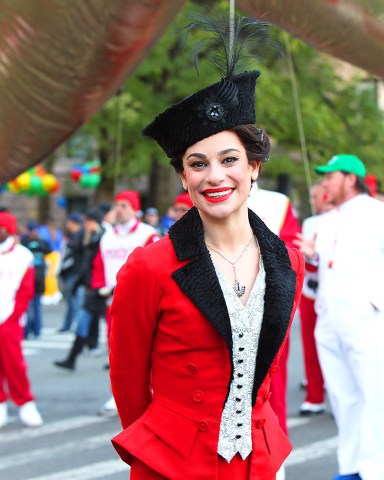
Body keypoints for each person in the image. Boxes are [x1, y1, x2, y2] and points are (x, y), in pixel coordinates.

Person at [109, 14, 304, 480]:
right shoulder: (151, 266)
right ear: (183, 176)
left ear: (254, 167)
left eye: (229, 159)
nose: (214, 176)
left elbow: (269, 374)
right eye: (198, 164)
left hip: (260, 462)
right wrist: (156, 452)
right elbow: (127, 380)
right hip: (172, 465)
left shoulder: (287, 261)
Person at [294, 154, 384, 480]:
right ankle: (351, 467)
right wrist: (312, 256)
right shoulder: (327, 219)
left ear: (350, 178)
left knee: (374, 396)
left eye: (330, 177)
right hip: (329, 318)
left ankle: (375, 469)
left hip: (366, 319)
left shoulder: (377, 213)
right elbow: (328, 265)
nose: (324, 183)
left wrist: (375, 302)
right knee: (343, 397)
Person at [248, 182, 301, 450]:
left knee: (271, 384)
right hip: (216, 305)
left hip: (268, 304)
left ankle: (274, 455)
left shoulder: (277, 203)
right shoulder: (206, 195)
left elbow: (293, 252)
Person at [97, 190, 160, 416]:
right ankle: (118, 395)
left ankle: (151, 393)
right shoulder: (106, 236)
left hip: (139, 303)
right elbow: (99, 265)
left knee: (144, 350)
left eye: (124, 205)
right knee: (116, 351)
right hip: (112, 304)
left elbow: (155, 265)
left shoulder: (147, 234)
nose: (120, 209)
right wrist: (99, 289)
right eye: (117, 205)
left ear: (134, 209)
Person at [0, 212, 44, 428]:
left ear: (8, 230)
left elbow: (27, 290)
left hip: (10, 318)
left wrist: (13, 315)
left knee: (14, 363)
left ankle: (25, 403)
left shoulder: (23, 255)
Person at [53, 208, 106, 370]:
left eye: (88, 221)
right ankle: (73, 357)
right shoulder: (88, 238)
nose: (86, 225)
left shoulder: (102, 238)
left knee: (114, 324)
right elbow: (85, 265)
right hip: (91, 287)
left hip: (103, 287)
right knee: (84, 321)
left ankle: (87, 351)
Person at [298, 183, 331, 415]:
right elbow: (306, 258)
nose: (313, 201)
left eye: (316, 196)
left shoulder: (343, 221)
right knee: (310, 346)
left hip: (337, 294)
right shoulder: (310, 223)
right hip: (311, 292)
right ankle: (315, 396)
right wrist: (310, 259)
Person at [21, 220, 52, 339]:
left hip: (33, 277)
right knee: (33, 307)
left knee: (32, 306)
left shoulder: (24, 243)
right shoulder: (42, 242)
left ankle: (31, 331)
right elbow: (50, 253)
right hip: (37, 276)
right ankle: (35, 331)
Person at [57, 212, 84, 333]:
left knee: (75, 302)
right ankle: (68, 324)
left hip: (74, 272)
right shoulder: (73, 236)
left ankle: (78, 326)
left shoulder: (79, 237)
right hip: (69, 273)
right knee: (70, 301)